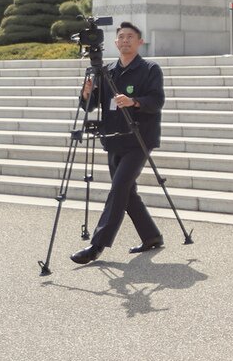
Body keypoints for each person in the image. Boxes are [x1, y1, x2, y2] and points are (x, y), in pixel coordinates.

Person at [70, 22, 165, 264]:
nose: (125, 41)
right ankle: (151, 236)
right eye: (121, 37)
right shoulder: (107, 71)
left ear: (139, 42)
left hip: (139, 139)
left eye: (130, 37)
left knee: (119, 188)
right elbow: (90, 106)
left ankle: (97, 245)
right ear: (115, 43)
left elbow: (156, 101)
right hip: (113, 138)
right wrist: (86, 93)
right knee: (126, 192)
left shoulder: (150, 69)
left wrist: (133, 102)